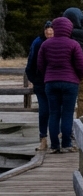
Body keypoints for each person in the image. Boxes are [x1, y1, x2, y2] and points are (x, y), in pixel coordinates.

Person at [36, 16, 83, 153]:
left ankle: (54, 145)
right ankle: (67, 144)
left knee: (54, 113)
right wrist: (78, 77)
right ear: (69, 29)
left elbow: (40, 64)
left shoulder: (46, 44)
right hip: (70, 82)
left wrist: (48, 75)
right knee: (67, 113)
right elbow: (81, 65)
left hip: (51, 82)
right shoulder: (73, 44)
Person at [24, 21, 53, 152]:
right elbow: (31, 62)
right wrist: (34, 79)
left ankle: (57, 139)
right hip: (41, 82)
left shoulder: (60, 41)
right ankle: (43, 138)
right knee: (44, 110)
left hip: (54, 81)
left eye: (51, 29)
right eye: (47, 29)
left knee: (57, 111)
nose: (49, 31)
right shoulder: (38, 42)